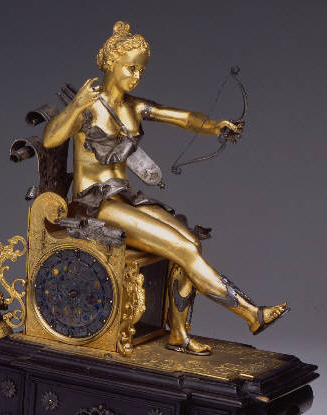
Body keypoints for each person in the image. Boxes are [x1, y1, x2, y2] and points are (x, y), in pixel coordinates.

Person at [43, 21, 288, 355]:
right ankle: (250, 313)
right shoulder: (87, 106)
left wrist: (215, 127)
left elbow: (183, 117)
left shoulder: (134, 107)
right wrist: (75, 106)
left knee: (191, 243)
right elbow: (51, 138)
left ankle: (179, 335)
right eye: (130, 68)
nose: (136, 76)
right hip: (95, 205)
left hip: (125, 197)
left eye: (141, 70)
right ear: (110, 64)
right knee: (183, 249)